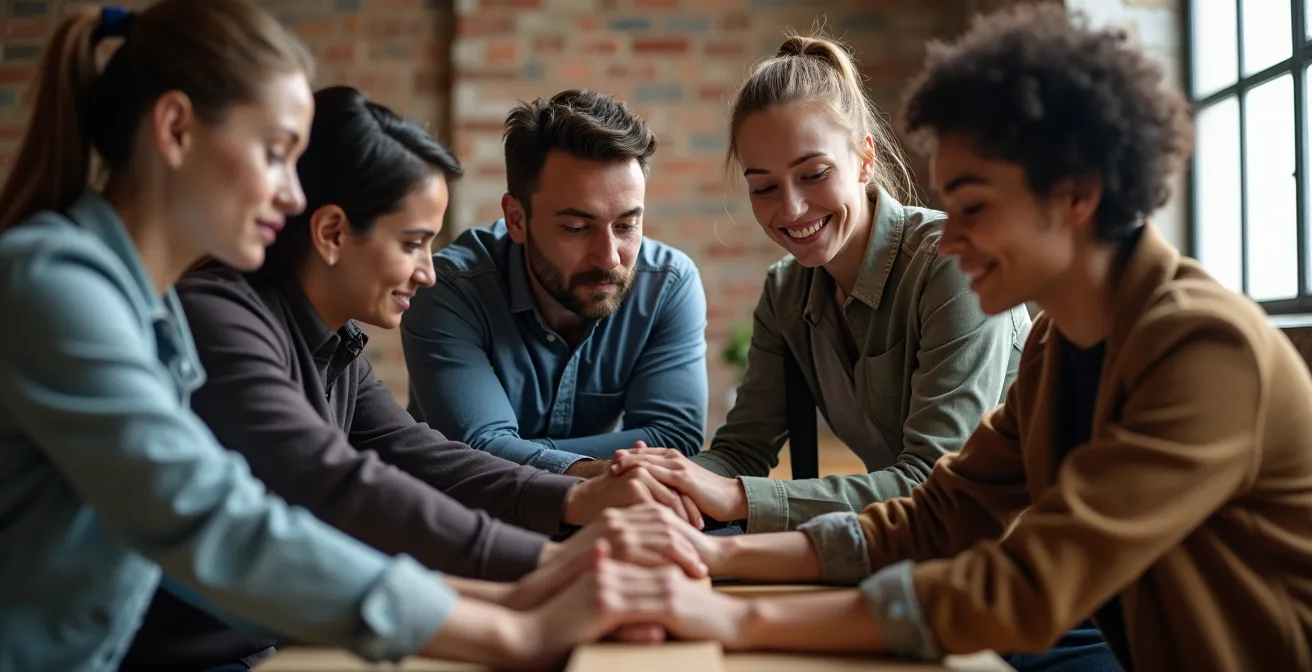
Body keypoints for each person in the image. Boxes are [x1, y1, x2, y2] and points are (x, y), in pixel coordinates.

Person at [609, 6, 1312, 670]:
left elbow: (1025, 585)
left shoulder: (1203, 347)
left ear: (1077, 193)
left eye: (973, 206)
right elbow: (937, 515)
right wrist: (714, 557)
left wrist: (740, 621)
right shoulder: (1054, 347)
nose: (952, 236)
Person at [0, 4, 697, 670]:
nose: (292, 195)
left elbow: (410, 456)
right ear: (177, 130)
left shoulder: (155, 309)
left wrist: (551, 551)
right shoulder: (62, 288)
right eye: (275, 154)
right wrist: (521, 614)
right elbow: (232, 518)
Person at [613, 31, 1115, 672]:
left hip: (1043, 595)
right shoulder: (786, 289)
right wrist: (665, 484)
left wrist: (734, 502)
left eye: (813, 174)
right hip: (923, 569)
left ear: (865, 159)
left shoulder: (949, 266)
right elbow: (742, 451)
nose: (789, 208)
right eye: (763, 186)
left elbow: (930, 488)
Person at [399, 89, 709, 479]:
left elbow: (674, 435)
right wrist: (603, 464)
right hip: (463, 518)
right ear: (516, 218)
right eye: (577, 228)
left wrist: (521, 451)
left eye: (627, 226)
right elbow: (479, 451)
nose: (610, 257)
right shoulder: (449, 289)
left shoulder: (668, 285)